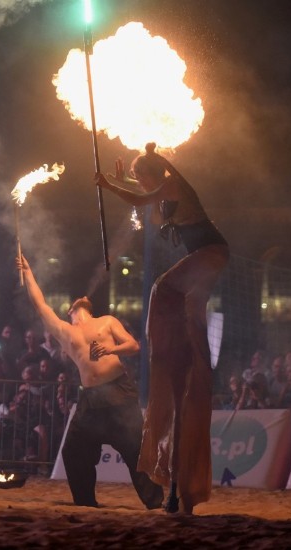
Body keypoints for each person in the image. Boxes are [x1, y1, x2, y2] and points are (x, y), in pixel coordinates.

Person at [95, 142, 229, 514]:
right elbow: (144, 194)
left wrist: (108, 185)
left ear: (154, 174)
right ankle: (188, 344)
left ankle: (177, 340)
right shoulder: (161, 187)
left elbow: (141, 200)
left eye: (140, 175)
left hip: (211, 254)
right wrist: (120, 178)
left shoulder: (171, 183)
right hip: (203, 260)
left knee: (163, 287)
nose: (138, 181)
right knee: (187, 304)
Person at [16, 254, 164, 510]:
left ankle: (156, 503)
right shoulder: (65, 332)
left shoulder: (107, 321)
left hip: (119, 391)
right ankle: (85, 503)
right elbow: (40, 305)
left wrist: (109, 351)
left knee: (137, 450)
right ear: (70, 310)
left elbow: (134, 345)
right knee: (73, 450)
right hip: (91, 398)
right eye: (76, 301)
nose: (81, 299)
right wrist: (28, 272)